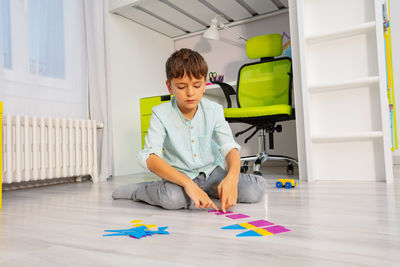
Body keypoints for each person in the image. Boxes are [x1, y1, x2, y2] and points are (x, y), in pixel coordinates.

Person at [112, 48, 266, 212]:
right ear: (169, 87)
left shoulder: (214, 110)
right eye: (181, 86)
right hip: (180, 176)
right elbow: (149, 157)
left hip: (212, 173)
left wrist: (232, 178)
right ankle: (141, 190)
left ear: (204, 85)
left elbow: (229, 147)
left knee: (253, 190)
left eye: (197, 85)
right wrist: (187, 184)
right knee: (171, 199)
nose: (190, 92)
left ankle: (205, 191)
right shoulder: (160, 113)